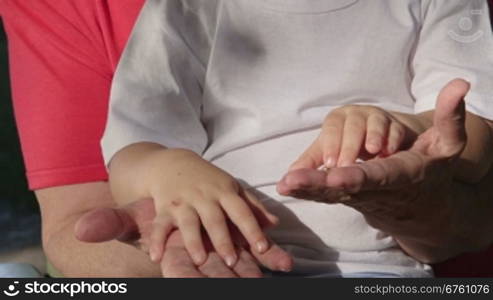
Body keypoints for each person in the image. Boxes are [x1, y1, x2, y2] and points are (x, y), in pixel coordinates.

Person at [1, 0, 492, 277]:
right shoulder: (185, 9)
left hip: (377, 271)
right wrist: (168, 170)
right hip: (227, 264)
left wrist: (409, 128)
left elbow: (472, 134)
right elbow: (132, 148)